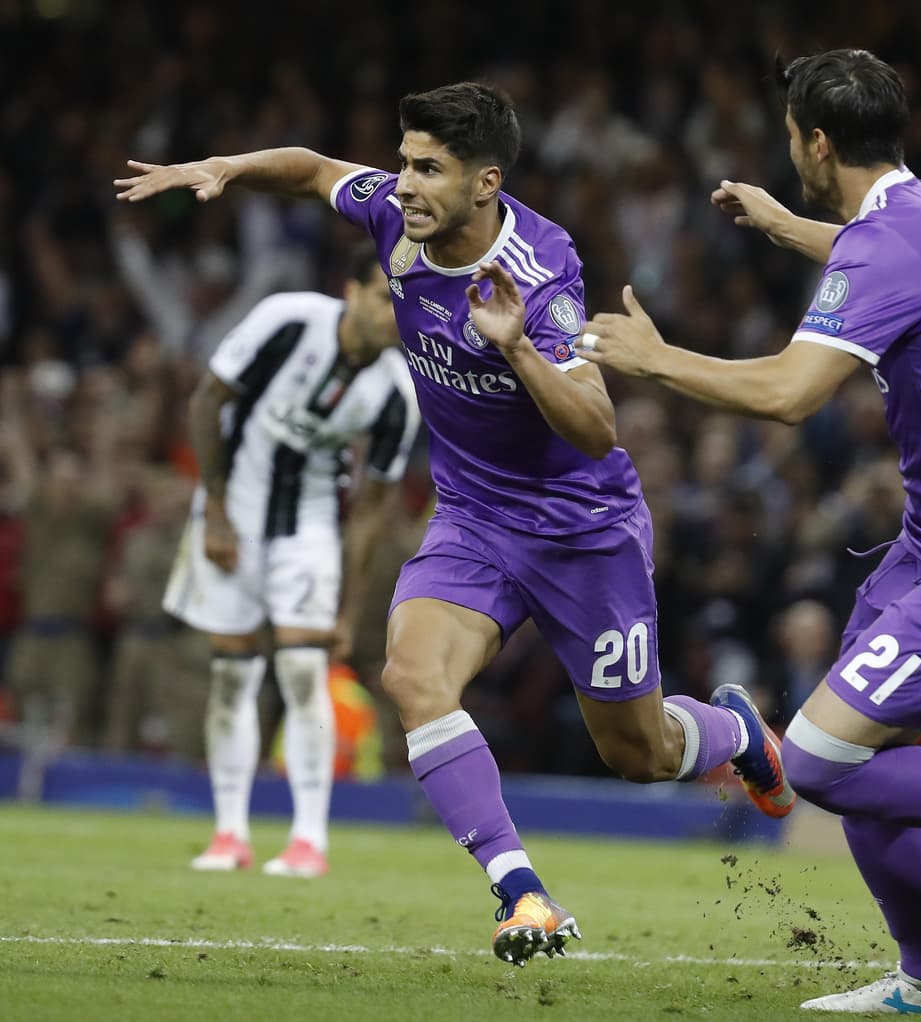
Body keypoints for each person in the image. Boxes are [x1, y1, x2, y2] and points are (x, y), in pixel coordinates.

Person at [116, 82, 792, 966]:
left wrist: (513, 346)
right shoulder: (397, 221)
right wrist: (228, 168)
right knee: (412, 674)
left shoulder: (542, 268)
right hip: (474, 519)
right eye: (403, 161)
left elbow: (596, 431)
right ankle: (523, 895)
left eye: (426, 169)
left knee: (642, 751)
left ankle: (736, 732)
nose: (403, 183)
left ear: (486, 182)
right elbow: (317, 170)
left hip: (580, 531)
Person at [579, 49, 921, 1016]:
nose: (791, 151)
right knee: (866, 755)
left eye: (793, 137)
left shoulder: (887, 247)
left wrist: (656, 362)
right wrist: (791, 228)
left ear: (817, 142)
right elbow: (887, 266)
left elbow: (788, 394)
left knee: (826, 759)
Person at [160, 241, 420, 879]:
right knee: (233, 675)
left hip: (307, 527)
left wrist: (350, 604)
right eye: (386, 299)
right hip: (232, 513)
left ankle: (309, 839)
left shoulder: (397, 395)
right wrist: (215, 512)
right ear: (352, 291)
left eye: (404, 307)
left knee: (305, 674)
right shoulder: (287, 320)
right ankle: (230, 834)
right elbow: (206, 402)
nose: (394, 317)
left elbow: (370, 509)